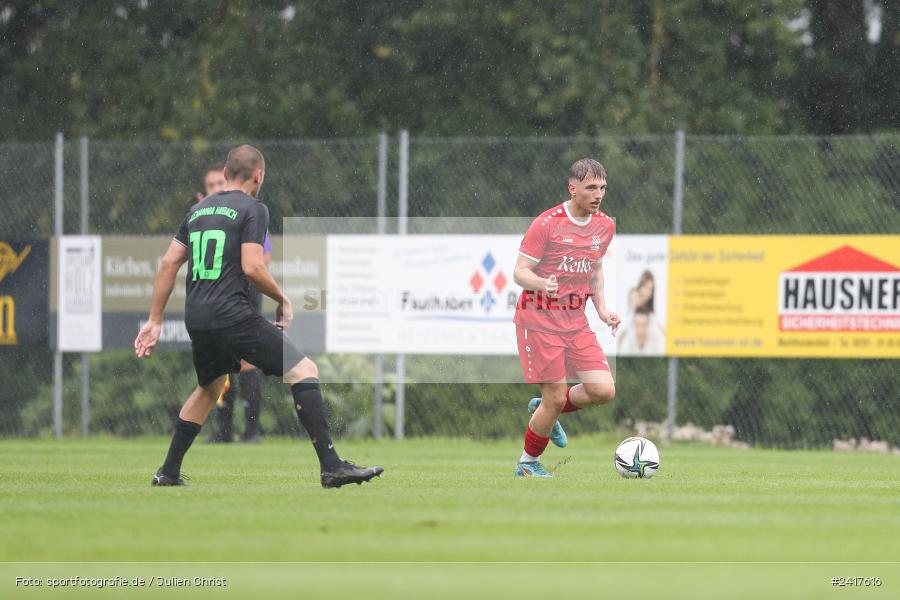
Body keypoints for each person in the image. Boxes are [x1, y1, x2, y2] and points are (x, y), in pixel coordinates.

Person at [135, 144, 383, 488]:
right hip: (231, 312)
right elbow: (253, 266)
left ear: (224, 175)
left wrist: (155, 319)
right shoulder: (254, 209)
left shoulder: (197, 211)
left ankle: (168, 473)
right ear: (259, 176)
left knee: (210, 387)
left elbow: (168, 264)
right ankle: (332, 466)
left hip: (198, 315)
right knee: (304, 370)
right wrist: (282, 297)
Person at [512, 158, 620, 477]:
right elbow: (519, 272)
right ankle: (528, 464)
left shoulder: (605, 225)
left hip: (575, 321)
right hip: (539, 321)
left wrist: (601, 309)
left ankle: (544, 407)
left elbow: (595, 269)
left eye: (602, 187)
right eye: (590, 188)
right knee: (555, 398)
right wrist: (542, 283)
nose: (598, 194)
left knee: (603, 391)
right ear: (572, 189)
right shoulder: (546, 224)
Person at [195, 163, 269, 444]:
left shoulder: (249, 213)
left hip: (243, 294)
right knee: (220, 363)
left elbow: (262, 260)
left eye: (218, 184)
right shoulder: (199, 216)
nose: (215, 189)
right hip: (215, 296)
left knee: (247, 361)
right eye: (210, 185)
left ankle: (251, 431)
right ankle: (223, 430)